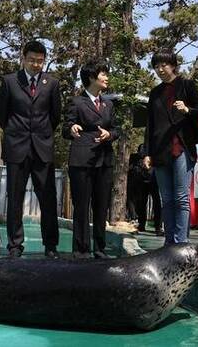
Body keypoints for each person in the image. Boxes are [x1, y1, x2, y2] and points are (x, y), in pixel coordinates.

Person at [0, 40, 62, 258]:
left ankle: (51, 245)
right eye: (32, 60)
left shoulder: (51, 84)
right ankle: (15, 246)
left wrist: (41, 135)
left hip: (42, 148)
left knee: (48, 199)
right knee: (14, 199)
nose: (36, 64)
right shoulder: (9, 82)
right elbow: (2, 116)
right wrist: (17, 133)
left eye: (40, 61)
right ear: (23, 58)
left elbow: (55, 116)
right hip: (17, 148)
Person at [143, 50, 198, 245]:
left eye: (164, 65)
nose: (160, 70)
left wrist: (187, 110)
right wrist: (147, 152)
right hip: (161, 150)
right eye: (156, 66)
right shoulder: (155, 93)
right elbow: (150, 125)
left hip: (182, 148)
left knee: (181, 197)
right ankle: (169, 242)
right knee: (166, 199)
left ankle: (181, 242)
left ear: (174, 65)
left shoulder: (187, 85)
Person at [63, 61, 120, 259]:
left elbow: (116, 129)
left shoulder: (109, 103)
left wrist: (109, 134)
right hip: (81, 160)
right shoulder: (76, 102)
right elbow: (65, 128)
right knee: (81, 206)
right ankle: (81, 249)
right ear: (90, 78)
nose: (106, 77)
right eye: (102, 74)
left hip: (104, 160)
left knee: (101, 206)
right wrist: (72, 129)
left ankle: (100, 249)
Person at [129, 144, 162, 235]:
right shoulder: (140, 152)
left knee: (156, 203)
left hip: (153, 179)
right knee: (142, 203)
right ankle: (142, 225)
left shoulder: (155, 150)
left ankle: (158, 227)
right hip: (142, 180)